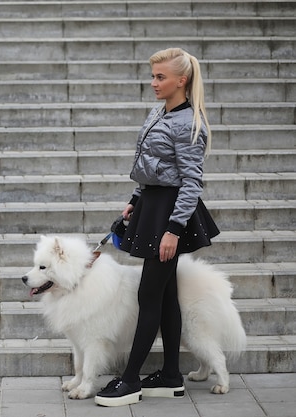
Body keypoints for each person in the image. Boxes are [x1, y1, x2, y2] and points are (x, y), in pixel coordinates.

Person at [94, 48, 220, 407]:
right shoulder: (159, 111)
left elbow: (192, 183)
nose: (154, 83)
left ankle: (131, 380)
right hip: (152, 204)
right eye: (153, 76)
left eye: (160, 77)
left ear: (182, 80)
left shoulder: (190, 124)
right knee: (163, 295)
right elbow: (150, 162)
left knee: (148, 295)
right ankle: (169, 375)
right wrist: (136, 199)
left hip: (171, 214)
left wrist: (173, 230)